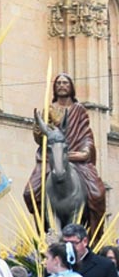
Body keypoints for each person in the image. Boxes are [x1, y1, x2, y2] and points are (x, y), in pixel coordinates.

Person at [24, 73, 106, 234]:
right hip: (51, 159)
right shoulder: (49, 110)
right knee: (30, 192)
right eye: (59, 83)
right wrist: (39, 130)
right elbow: (41, 140)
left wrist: (85, 152)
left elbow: (86, 136)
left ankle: (95, 234)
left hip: (75, 157)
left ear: (71, 87)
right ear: (54, 87)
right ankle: (44, 232)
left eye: (65, 83)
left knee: (97, 193)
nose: (62, 85)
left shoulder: (79, 110)